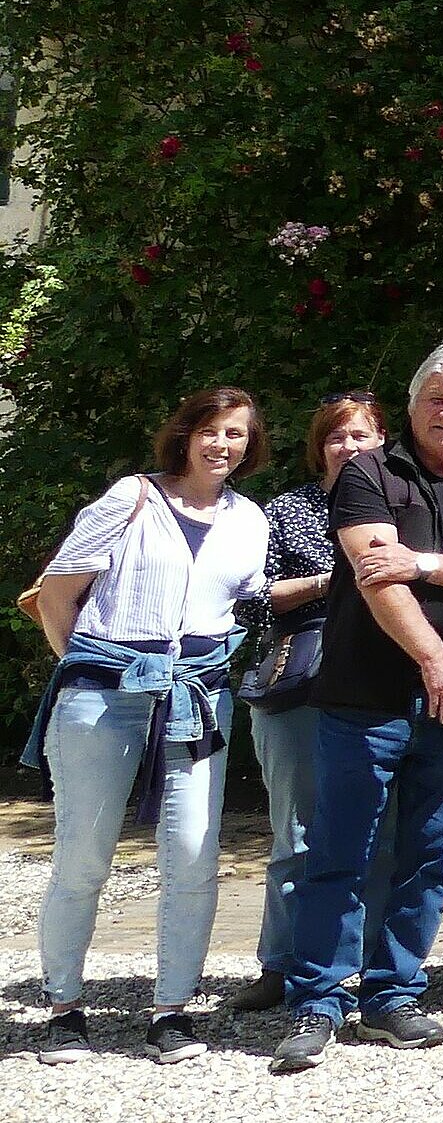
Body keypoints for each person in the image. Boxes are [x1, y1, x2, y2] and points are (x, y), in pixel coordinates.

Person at [276, 341, 443, 1073]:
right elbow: (371, 574)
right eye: (437, 398)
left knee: (431, 857)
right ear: (414, 402)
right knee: (340, 852)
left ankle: (392, 994)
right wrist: (434, 659)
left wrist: (422, 561)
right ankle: (316, 1001)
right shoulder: (367, 470)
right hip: (369, 698)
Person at [27, 388, 271, 1066]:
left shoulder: (248, 519)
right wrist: (89, 668)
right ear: (186, 432)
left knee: (193, 853)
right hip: (103, 698)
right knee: (84, 856)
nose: (224, 444)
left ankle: (170, 1011)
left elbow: (247, 599)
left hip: (197, 696)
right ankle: (65, 1009)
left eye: (238, 434)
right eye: (213, 430)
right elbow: (56, 593)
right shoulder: (129, 497)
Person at [229, 392, 390, 1016]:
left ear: (382, 441)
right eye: (337, 437)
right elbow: (250, 601)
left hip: (379, 680)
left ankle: (371, 967)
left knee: (381, 827)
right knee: (296, 831)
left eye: (362, 436)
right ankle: (284, 963)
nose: (350, 448)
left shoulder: (402, 506)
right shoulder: (288, 511)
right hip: (298, 682)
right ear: (320, 446)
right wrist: (337, 576)